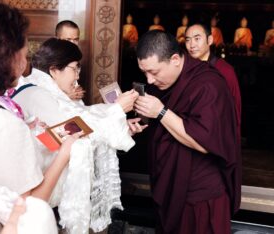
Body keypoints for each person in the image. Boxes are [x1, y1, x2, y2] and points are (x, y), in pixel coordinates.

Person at [0, 3, 79, 232]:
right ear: (8, 58)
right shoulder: (4, 123)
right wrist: (65, 153)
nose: (25, 63)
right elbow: (28, 209)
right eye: (24, 55)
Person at [12, 38, 138, 233]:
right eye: (74, 68)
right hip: (41, 194)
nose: (78, 76)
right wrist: (117, 110)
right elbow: (79, 130)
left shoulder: (46, 90)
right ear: (54, 70)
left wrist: (121, 122)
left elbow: (84, 115)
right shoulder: (38, 95)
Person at [129, 30, 241, 233]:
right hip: (170, 185)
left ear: (175, 60)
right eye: (144, 73)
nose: (150, 80)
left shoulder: (209, 84)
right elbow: (162, 128)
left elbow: (205, 142)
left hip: (199, 193)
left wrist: (161, 112)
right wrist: (137, 125)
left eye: (154, 72)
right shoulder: (164, 84)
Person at [185, 23, 241, 139]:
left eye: (197, 39)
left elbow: (235, 107)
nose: (192, 45)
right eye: (188, 40)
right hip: (190, 134)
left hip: (217, 134)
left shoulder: (225, 70)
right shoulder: (184, 68)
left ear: (209, 40)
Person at [55, 20, 85, 101]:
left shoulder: (75, 59)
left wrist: (76, 91)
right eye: (68, 39)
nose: (73, 44)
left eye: (76, 39)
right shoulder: (49, 60)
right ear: (57, 39)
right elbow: (44, 95)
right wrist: (67, 97)